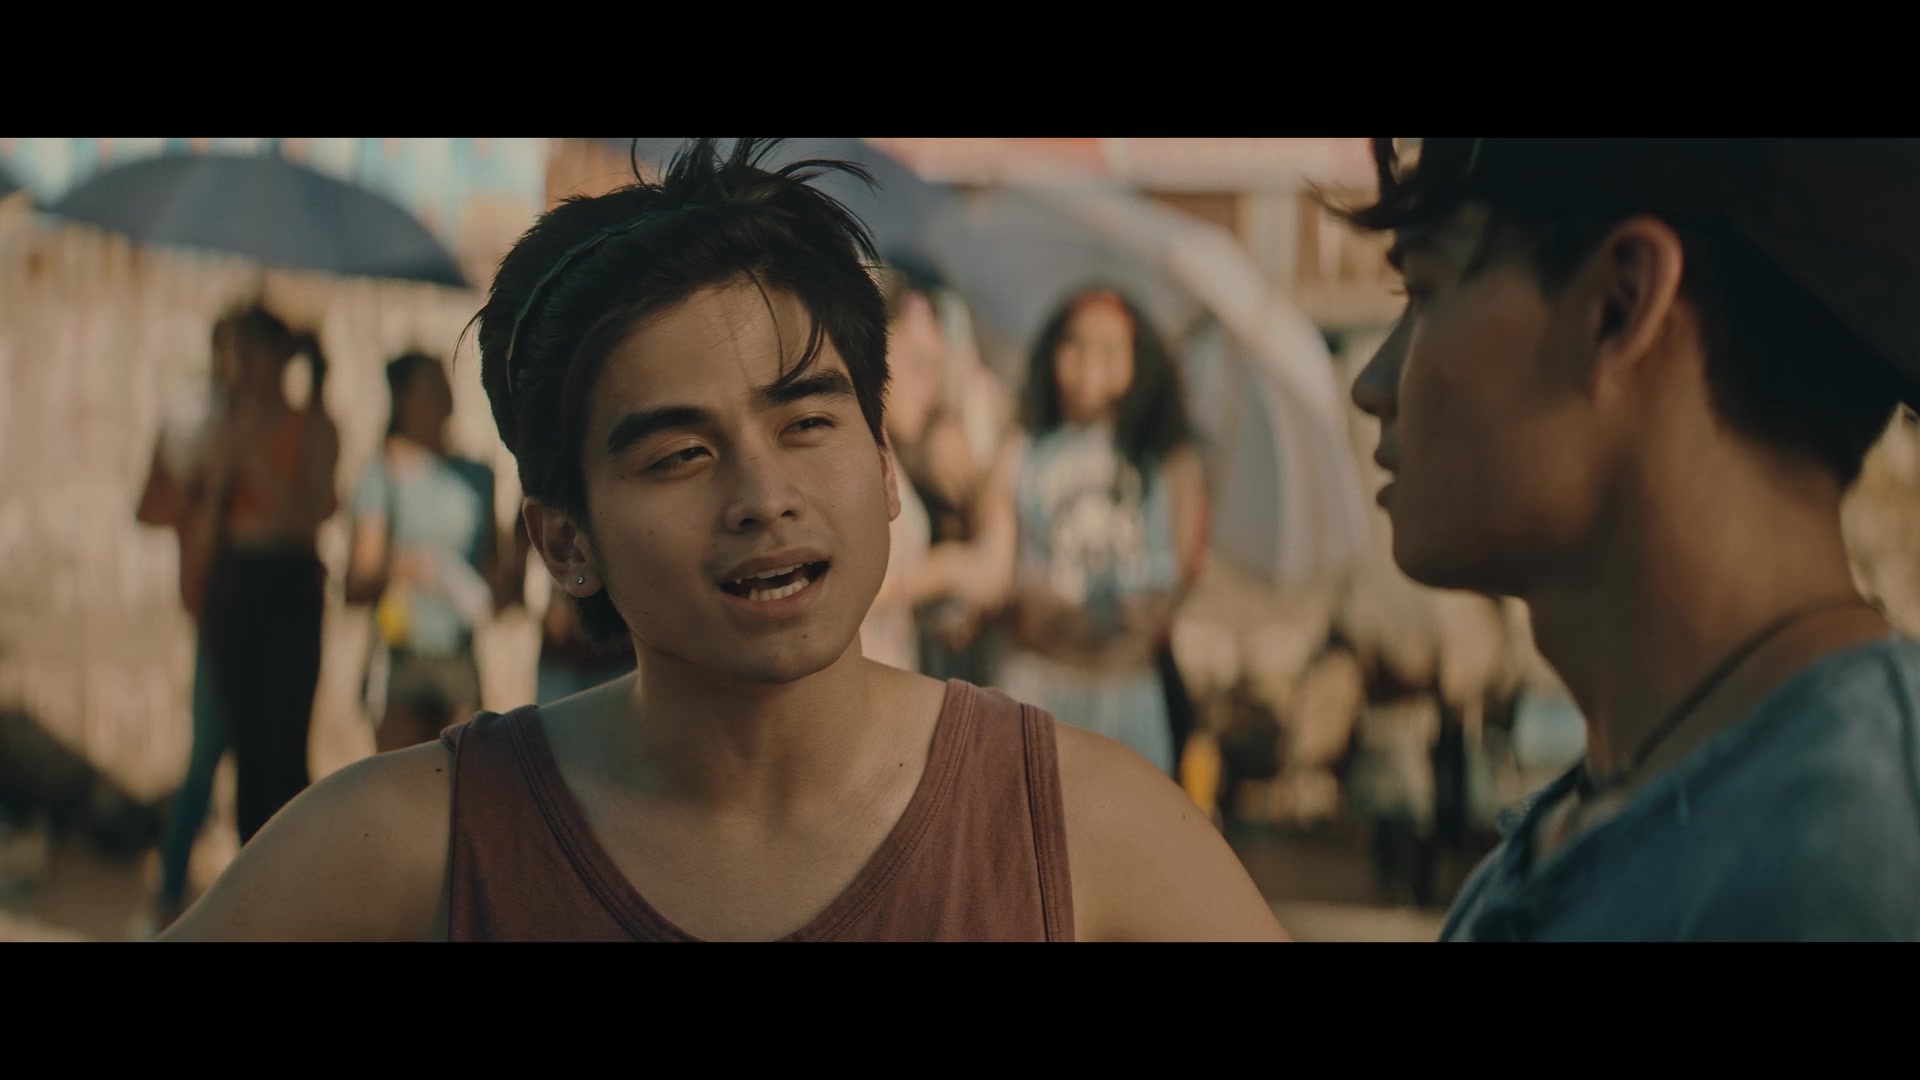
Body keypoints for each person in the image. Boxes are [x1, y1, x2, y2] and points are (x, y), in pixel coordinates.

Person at [161, 139, 1284, 942]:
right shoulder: (424, 845)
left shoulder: (1077, 831)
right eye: (679, 454)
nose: (763, 495)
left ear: (886, 464)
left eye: (807, 424)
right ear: (564, 542)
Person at [1344, 138, 1920, 941]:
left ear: (1619, 304)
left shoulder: (1842, 860)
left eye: (1426, 291)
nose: (1371, 384)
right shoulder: (1596, 829)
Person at [976, 288, 1210, 778]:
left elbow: (1184, 569)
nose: (1087, 363)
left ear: (1138, 362)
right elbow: (994, 564)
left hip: (1129, 694)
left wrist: (1151, 608)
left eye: (1109, 348)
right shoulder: (1020, 450)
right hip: (1036, 690)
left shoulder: (1168, 460)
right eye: (1075, 344)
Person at [193, 302, 340, 847]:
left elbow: (310, 514)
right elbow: (210, 525)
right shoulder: (223, 426)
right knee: (246, 751)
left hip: (290, 583)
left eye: (251, 352)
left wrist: (251, 452)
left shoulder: (312, 424)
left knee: (286, 745)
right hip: (236, 585)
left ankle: (295, 871)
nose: (243, 365)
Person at [345, 351, 516, 750]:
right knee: (400, 776)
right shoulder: (383, 474)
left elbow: (496, 572)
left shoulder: (477, 477)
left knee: (461, 774)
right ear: (404, 400)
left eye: (444, 384)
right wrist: (410, 567)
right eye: (429, 386)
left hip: (459, 656)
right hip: (400, 655)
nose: (442, 395)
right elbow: (358, 580)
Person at [131, 316, 238, 931]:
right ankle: (169, 894)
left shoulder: (262, 424)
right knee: (204, 759)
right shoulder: (196, 421)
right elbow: (149, 506)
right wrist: (201, 488)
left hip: (261, 614)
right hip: (215, 611)